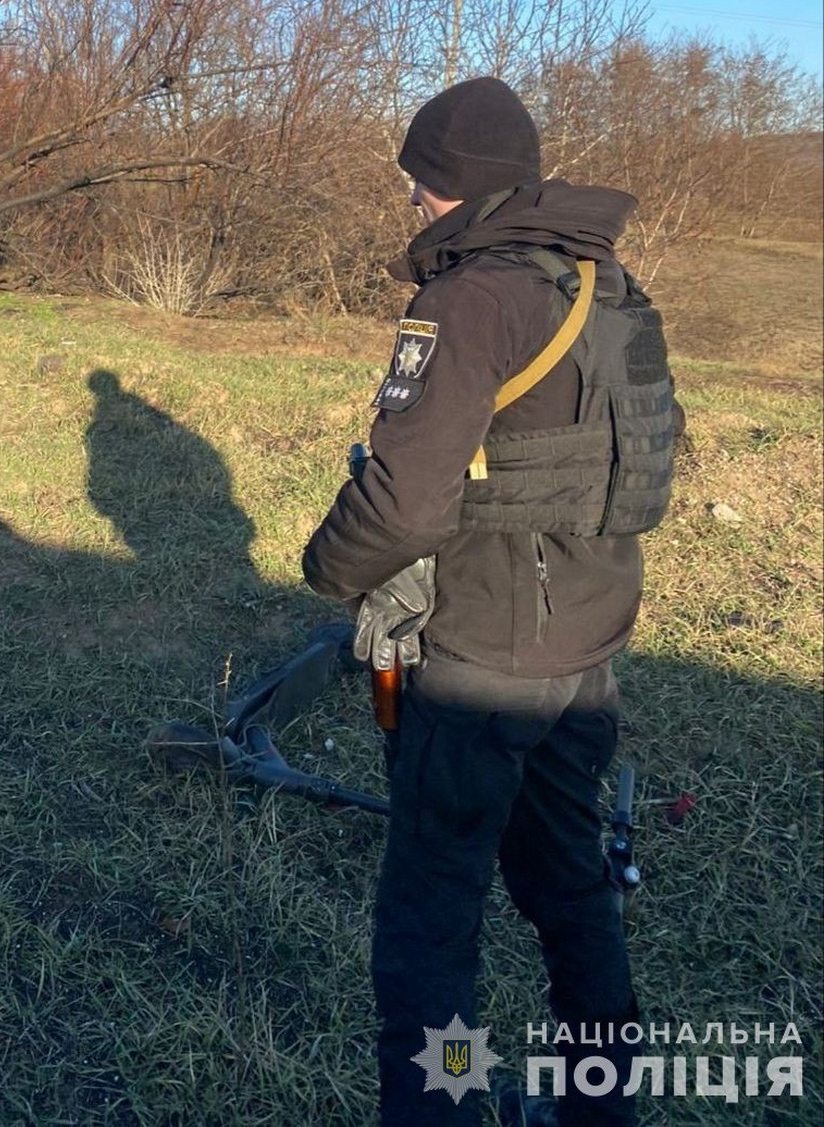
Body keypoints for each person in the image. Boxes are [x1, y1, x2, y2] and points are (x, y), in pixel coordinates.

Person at [302, 77, 679, 1126]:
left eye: (417, 184)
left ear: (444, 188)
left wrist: (326, 567)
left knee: (433, 928)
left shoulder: (469, 296)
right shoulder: (605, 285)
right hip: (585, 653)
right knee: (572, 895)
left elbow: (407, 504)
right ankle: (600, 1109)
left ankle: (445, 1108)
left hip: (479, 664)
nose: (413, 203)